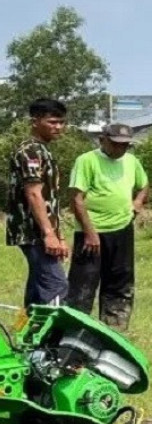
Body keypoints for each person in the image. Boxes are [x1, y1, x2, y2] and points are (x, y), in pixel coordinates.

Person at [67, 123, 148, 330]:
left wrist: (137, 203)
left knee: (120, 284)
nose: (120, 149)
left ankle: (114, 331)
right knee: (83, 287)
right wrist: (90, 233)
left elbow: (144, 184)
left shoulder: (131, 161)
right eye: (116, 144)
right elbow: (76, 199)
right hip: (92, 233)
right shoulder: (87, 161)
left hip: (121, 229)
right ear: (102, 140)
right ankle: (74, 336)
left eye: (125, 145)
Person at [6, 98, 68, 308]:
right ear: (35, 122)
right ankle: (53, 340)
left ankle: (26, 337)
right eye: (52, 122)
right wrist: (49, 234)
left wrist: (59, 235)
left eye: (61, 122)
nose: (58, 127)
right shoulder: (30, 151)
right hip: (33, 232)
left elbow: (50, 200)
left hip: (43, 231)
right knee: (56, 285)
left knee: (36, 289)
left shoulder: (43, 150)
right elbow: (33, 194)